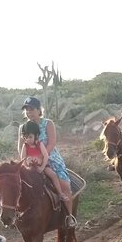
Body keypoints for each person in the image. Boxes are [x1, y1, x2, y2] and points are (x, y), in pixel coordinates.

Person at [18, 96, 77, 228]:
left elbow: (51, 143)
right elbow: (20, 146)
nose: (29, 112)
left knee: (65, 185)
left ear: (39, 110)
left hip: (49, 158)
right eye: (26, 110)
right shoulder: (23, 127)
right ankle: (16, 215)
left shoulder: (48, 123)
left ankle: (69, 216)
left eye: (31, 109)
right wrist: (26, 160)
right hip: (29, 160)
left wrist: (41, 158)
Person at [20, 120, 69, 202]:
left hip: (41, 166)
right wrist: (26, 165)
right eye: (25, 137)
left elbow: (46, 156)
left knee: (53, 175)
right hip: (29, 167)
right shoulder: (25, 146)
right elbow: (23, 158)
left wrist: (42, 167)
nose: (27, 139)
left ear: (36, 136)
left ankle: (60, 193)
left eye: (30, 137)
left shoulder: (40, 144)